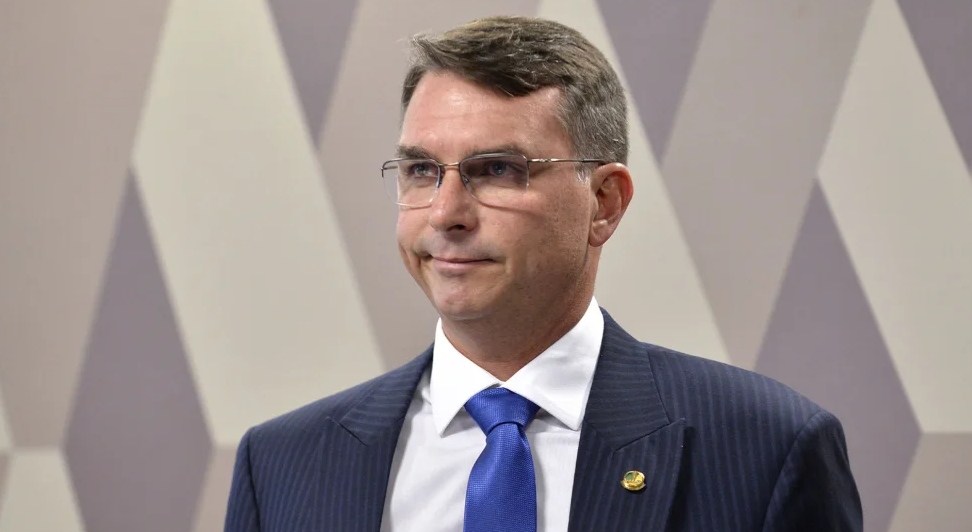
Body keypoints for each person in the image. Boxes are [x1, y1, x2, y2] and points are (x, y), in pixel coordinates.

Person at [223, 15, 862, 532]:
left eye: (497, 170)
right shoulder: (281, 464)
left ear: (604, 203)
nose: (445, 213)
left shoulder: (766, 448)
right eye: (421, 171)